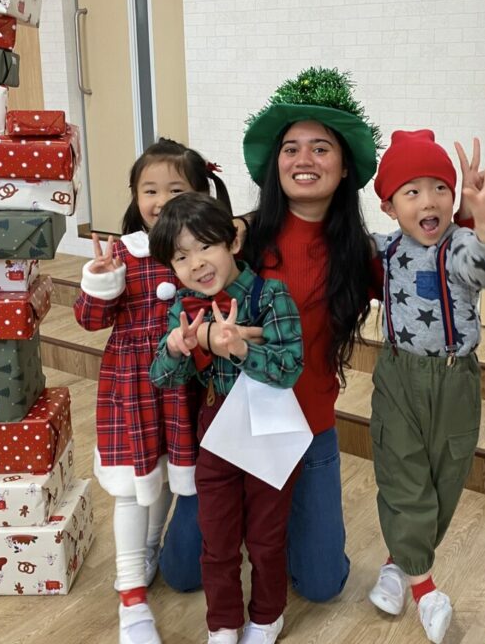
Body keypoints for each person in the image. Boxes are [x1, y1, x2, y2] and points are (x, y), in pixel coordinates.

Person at [159, 67, 382, 602]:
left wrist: (467, 227)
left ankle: (268, 530)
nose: (304, 160)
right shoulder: (239, 235)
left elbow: (432, 284)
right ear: (274, 163)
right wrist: (205, 339)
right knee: (182, 573)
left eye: (321, 148)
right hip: (232, 421)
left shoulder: (360, 252)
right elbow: (181, 274)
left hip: (308, 427)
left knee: (322, 585)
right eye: (291, 148)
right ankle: (245, 523)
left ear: (344, 167)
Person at [366, 129, 485, 643]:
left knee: (444, 479)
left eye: (440, 189)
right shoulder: (385, 249)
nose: (429, 201)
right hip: (397, 375)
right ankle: (425, 589)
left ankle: (398, 564)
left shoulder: (460, 245)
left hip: (456, 380)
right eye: (412, 192)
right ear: (388, 207)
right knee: (402, 474)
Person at [74, 139, 230, 644]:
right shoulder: (124, 252)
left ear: (199, 193)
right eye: (150, 189)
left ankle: (147, 553)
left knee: (161, 477)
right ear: (135, 195)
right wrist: (100, 281)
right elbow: (90, 320)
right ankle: (131, 598)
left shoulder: (196, 252)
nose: (161, 200)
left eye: (175, 189)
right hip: (133, 388)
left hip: (182, 389)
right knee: (131, 488)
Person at [149, 192, 304, 644]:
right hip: (215, 432)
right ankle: (222, 623)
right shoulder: (184, 307)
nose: (196, 263)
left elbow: (290, 367)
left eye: (204, 246)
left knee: (266, 537)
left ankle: (267, 616)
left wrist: (238, 348)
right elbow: (161, 377)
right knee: (215, 539)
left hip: (268, 430)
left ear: (233, 242)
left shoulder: (270, 295)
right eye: (181, 256)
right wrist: (178, 346)